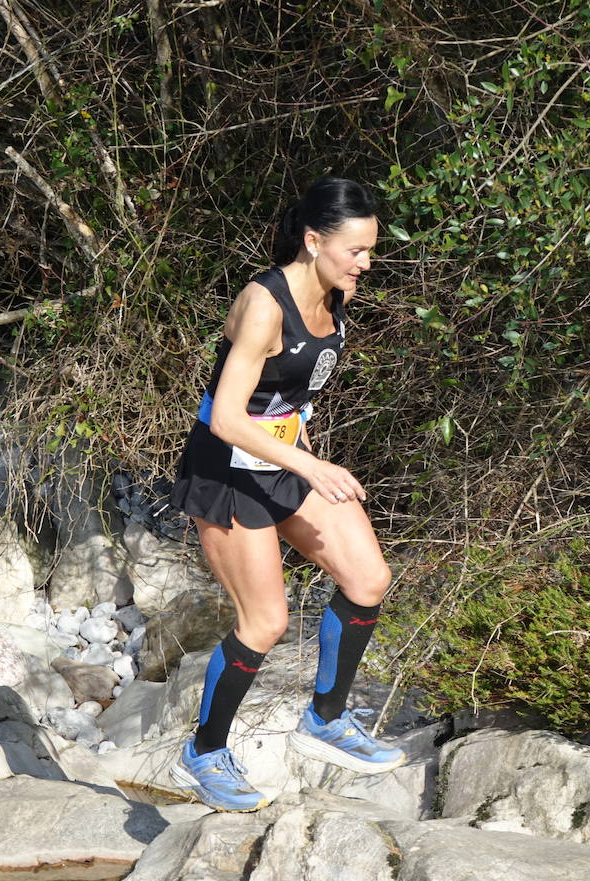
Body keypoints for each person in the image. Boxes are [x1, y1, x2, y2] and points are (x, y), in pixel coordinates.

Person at [166, 176, 404, 812]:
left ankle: (325, 720)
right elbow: (227, 417)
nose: (366, 263)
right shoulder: (263, 304)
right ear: (314, 241)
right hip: (227, 470)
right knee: (266, 622)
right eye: (356, 250)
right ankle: (203, 753)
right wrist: (311, 464)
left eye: (370, 250)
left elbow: (286, 398)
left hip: (283, 460)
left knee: (368, 579)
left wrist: (301, 453)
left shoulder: (338, 291)